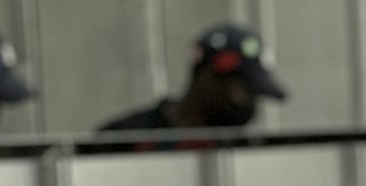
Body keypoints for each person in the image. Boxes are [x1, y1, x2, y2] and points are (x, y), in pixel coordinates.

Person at [96, 23, 287, 138]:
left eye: (254, 96)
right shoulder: (126, 138)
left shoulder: (241, 157)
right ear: (207, 77)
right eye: (244, 92)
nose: (247, 106)